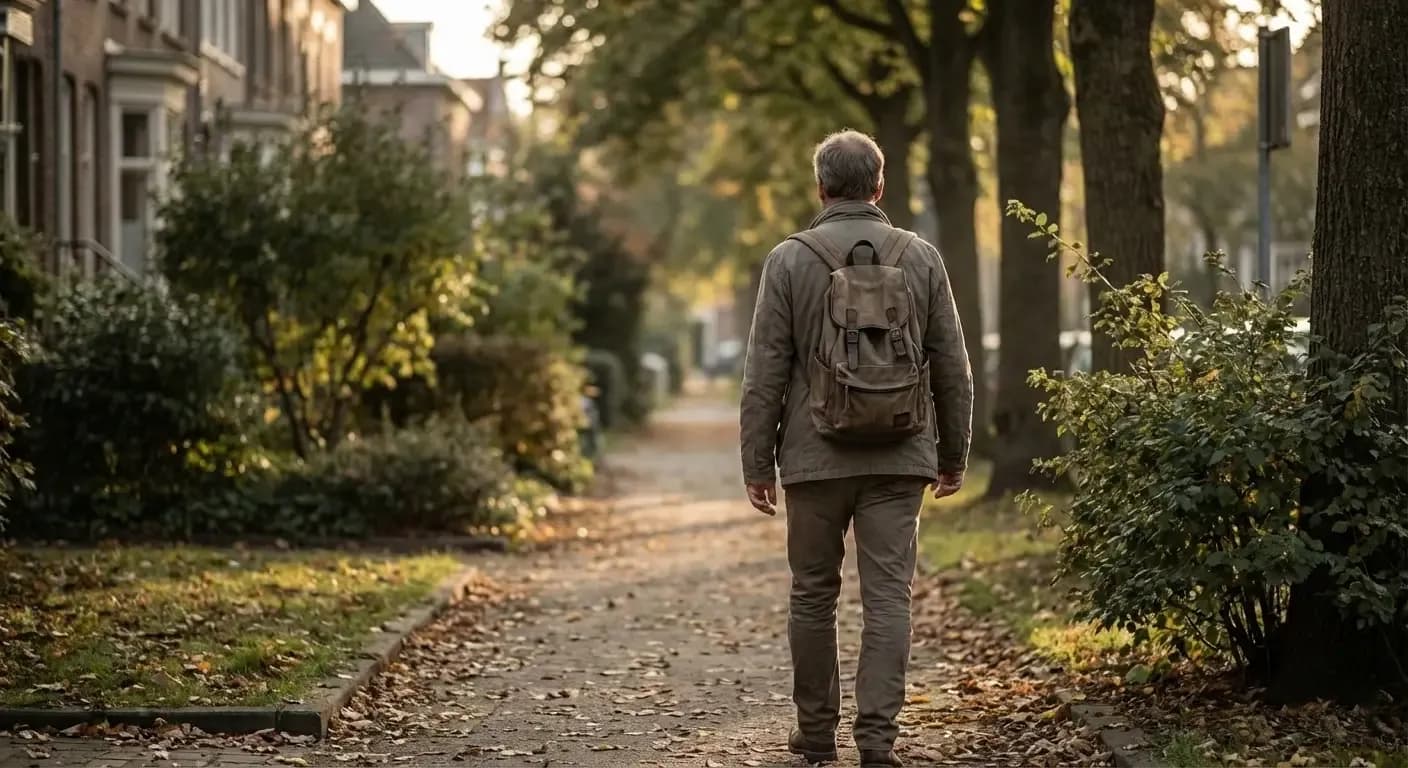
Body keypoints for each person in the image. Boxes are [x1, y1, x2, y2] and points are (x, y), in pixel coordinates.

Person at [739, 130, 974, 767]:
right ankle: (877, 742)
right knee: (889, 597)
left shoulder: (788, 261)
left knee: (813, 594)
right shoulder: (921, 258)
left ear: (820, 187)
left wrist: (758, 462)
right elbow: (951, 363)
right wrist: (953, 453)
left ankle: (816, 734)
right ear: (879, 185)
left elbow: (765, 369)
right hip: (899, 457)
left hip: (814, 460)